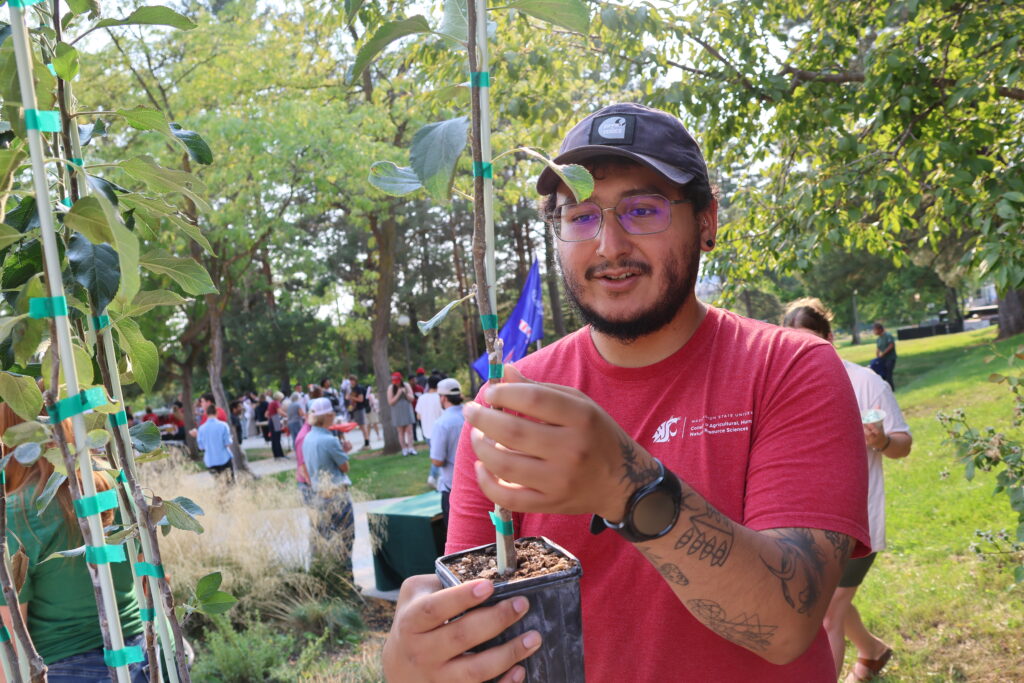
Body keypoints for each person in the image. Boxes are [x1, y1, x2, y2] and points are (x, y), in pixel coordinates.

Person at [382, 103, 869, 682]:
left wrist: (626, 486)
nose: (610, 245)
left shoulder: (789, 367)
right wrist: (416, 665)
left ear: (707, 222)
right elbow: (481, 617)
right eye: (581, 215)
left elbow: (790, 624)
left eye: (643, 209)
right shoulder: (507, 401)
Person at [782, 298, 912, 682]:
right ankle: (872, 650)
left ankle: (859, 664)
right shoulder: (782, 387)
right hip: (802, 523)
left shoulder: (865, 382)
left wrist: (883, 441)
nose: (800, 350)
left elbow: (903, 445)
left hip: (858, 524)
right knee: (824, 602)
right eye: (790, 341)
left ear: (829, 338)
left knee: (825, 616)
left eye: (809, 340)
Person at [0, 403, 148, 681]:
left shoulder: (14, 515)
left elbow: (10, 637)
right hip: (140, 655)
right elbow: (144, 577)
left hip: (66, 668)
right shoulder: (114, 483)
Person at [302, 397, 355, 573]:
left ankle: (328, 581)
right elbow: (344, 467)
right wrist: (344, 451)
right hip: (337, 496)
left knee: (322, 542)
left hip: (318, 495)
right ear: (327, 416)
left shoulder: (307, 438)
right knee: (344, 542)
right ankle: (347, 582)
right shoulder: (329, 440)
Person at [428, 378, 465, 536]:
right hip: (477, 486)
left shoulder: (442, 423)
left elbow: (437, 460)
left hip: (453, 489)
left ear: (443, 398)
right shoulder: (473, 414)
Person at [416, 376, 444, 486]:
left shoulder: (422, 398)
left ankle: (434, 477)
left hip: (426, 432)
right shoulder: (440, 398)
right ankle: (434, 477)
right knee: (440, 456)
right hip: (438, 431)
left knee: (436, 455)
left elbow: (418, 416)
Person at [196, 402, 234, 481]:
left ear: (206, 414)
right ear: (217, 412)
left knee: (219, 484)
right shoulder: (223, 425)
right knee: (230, 482)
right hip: (224, 457)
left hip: (210, 460)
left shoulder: (201, 428)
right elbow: (227, 443)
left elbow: (201, 446)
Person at [387, 372, 417, 456]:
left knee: (409, 430)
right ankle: (404, 449)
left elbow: (412, 398)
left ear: (400, 380)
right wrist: (398, 393)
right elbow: (390, 402)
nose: (395, 383)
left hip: (407, 409)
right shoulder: (390, 388)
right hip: (397, 411)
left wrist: (405, 393)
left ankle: (411, 448)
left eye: (397, 381)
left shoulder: (406, 385)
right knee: (401, 431)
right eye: (394, 381)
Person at [346, 375, 369, 450]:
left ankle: (367, 443)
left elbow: (361, 399)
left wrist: (351, 397)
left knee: (363, 426)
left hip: (360, 408)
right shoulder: (352, 389)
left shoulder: (358, 388)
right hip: (355, 409)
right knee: (361, 427)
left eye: (352, 380)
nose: (351, 382)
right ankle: (366, 442)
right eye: (350, 380)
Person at [872, 323, 897, 389]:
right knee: (883, 374)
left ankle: (891, 389)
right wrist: (878, 355)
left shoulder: (888, 336)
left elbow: (891, 345)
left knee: (889, 374)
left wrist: (883, 353)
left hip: (890, 358)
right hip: (882, 359)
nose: (874, 332)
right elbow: (878, 348)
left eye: (875, 330)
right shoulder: (879, 339)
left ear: (880, 329)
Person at [266, 391, 287, 460]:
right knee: (277, 438)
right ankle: (280, 454)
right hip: (275, 420)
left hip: (271, 420)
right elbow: (280, 412)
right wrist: (288, 415)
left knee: (274, 438)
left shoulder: (271, 403)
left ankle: (276, 455)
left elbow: (267, 413)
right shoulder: (276, 403)